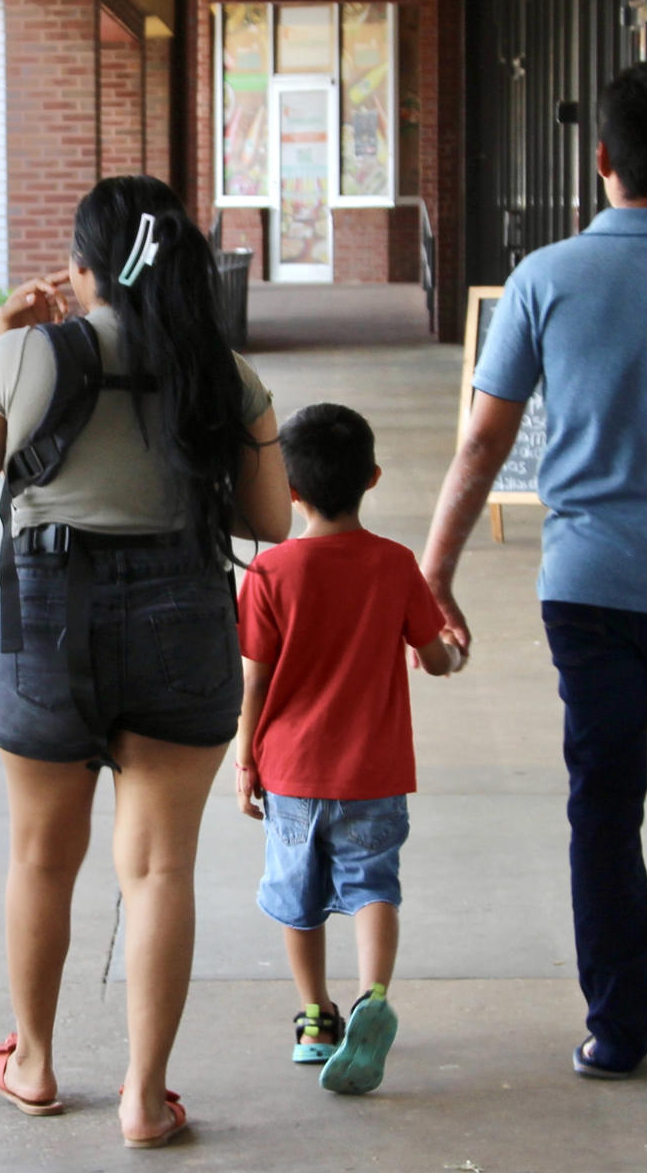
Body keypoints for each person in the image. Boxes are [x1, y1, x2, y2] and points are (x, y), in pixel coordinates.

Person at [420, 60, 647, 1080]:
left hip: (585, 587)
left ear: (600, 160)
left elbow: (484, 441)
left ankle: (618, 1026)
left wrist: (435, 570)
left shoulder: (545, 278)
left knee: (604, 799)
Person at [0, 175, 291, 1147]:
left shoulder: (28, 353)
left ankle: (34, 1062)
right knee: (160, 867)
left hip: (48, 613)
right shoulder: (221, 373)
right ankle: (145, 1095)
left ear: (86, 267)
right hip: (182, 613)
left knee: (41, 855)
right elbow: (270, 518)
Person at [231, 402, 463, 1095]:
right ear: (372, 477)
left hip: (291, 771)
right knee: (373, 887)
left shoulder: (269, 572)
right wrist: (450, 653)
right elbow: (434, 655)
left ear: (289, 491)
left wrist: (245, 759)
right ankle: (373, 999)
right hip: (374, 772)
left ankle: (316, 1019)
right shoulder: (395, 565)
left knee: (296, 897)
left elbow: (254, 681)